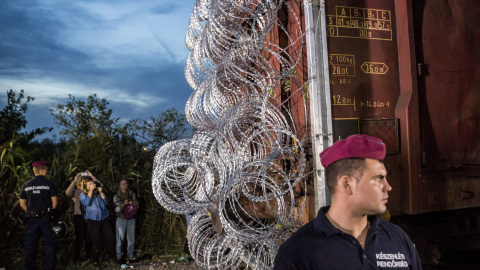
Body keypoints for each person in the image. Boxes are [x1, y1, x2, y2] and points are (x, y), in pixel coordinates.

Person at [273, 134, 422, 270]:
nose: (388, 187)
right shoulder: (298, 253)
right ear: (347, 185)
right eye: (378, 178)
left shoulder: (397, 238)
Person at [19, 160, 58, 270]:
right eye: (46, 169)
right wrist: (51, 212)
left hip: (31, 219)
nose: (47, 171)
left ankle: (30, 268)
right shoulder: (49, 183)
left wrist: (30, 211)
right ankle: (49, 267)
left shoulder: (26, 184)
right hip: (46, 218)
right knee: (49, 244)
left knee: (30, 245)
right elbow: (55, 202)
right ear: (41, 170)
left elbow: (22, 203)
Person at [80, 175, 116, 268]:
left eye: (92, 183)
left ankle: (112, 258)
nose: (92, 185)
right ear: (85, 186)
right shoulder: (82, 195)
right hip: (93, 220)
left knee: (111, 239)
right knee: (97, 242)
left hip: (104, 218)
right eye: (90, 184)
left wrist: (101, 192)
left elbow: (106, 202)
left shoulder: (97, 193)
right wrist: (91, 191)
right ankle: (94, 262)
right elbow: (87, 203)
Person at [66, 171, 97, 265]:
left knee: (89, 238)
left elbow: (100, 185)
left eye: (83, 180)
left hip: (90, 217)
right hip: (79, 217)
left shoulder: (90, 191)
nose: (81, 181)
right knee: (79, 238)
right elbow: (67, 193)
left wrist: (92, 176)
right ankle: (76, 259)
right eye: (80, 180)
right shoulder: (76, 191)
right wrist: (75, 180)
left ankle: (88, 258)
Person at [113, 179, 139, 262]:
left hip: (131, 219)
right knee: (120, 240)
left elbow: (137, 205)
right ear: (119, 186)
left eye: (125, 183)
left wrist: (132, 203)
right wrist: (123, 204)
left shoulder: (131, 194)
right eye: (122, 184)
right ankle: (119, 256)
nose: (124, 185)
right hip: (121, 219)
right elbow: (116, 210)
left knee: (131, 239)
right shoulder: (116, 196)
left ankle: (130, 255)